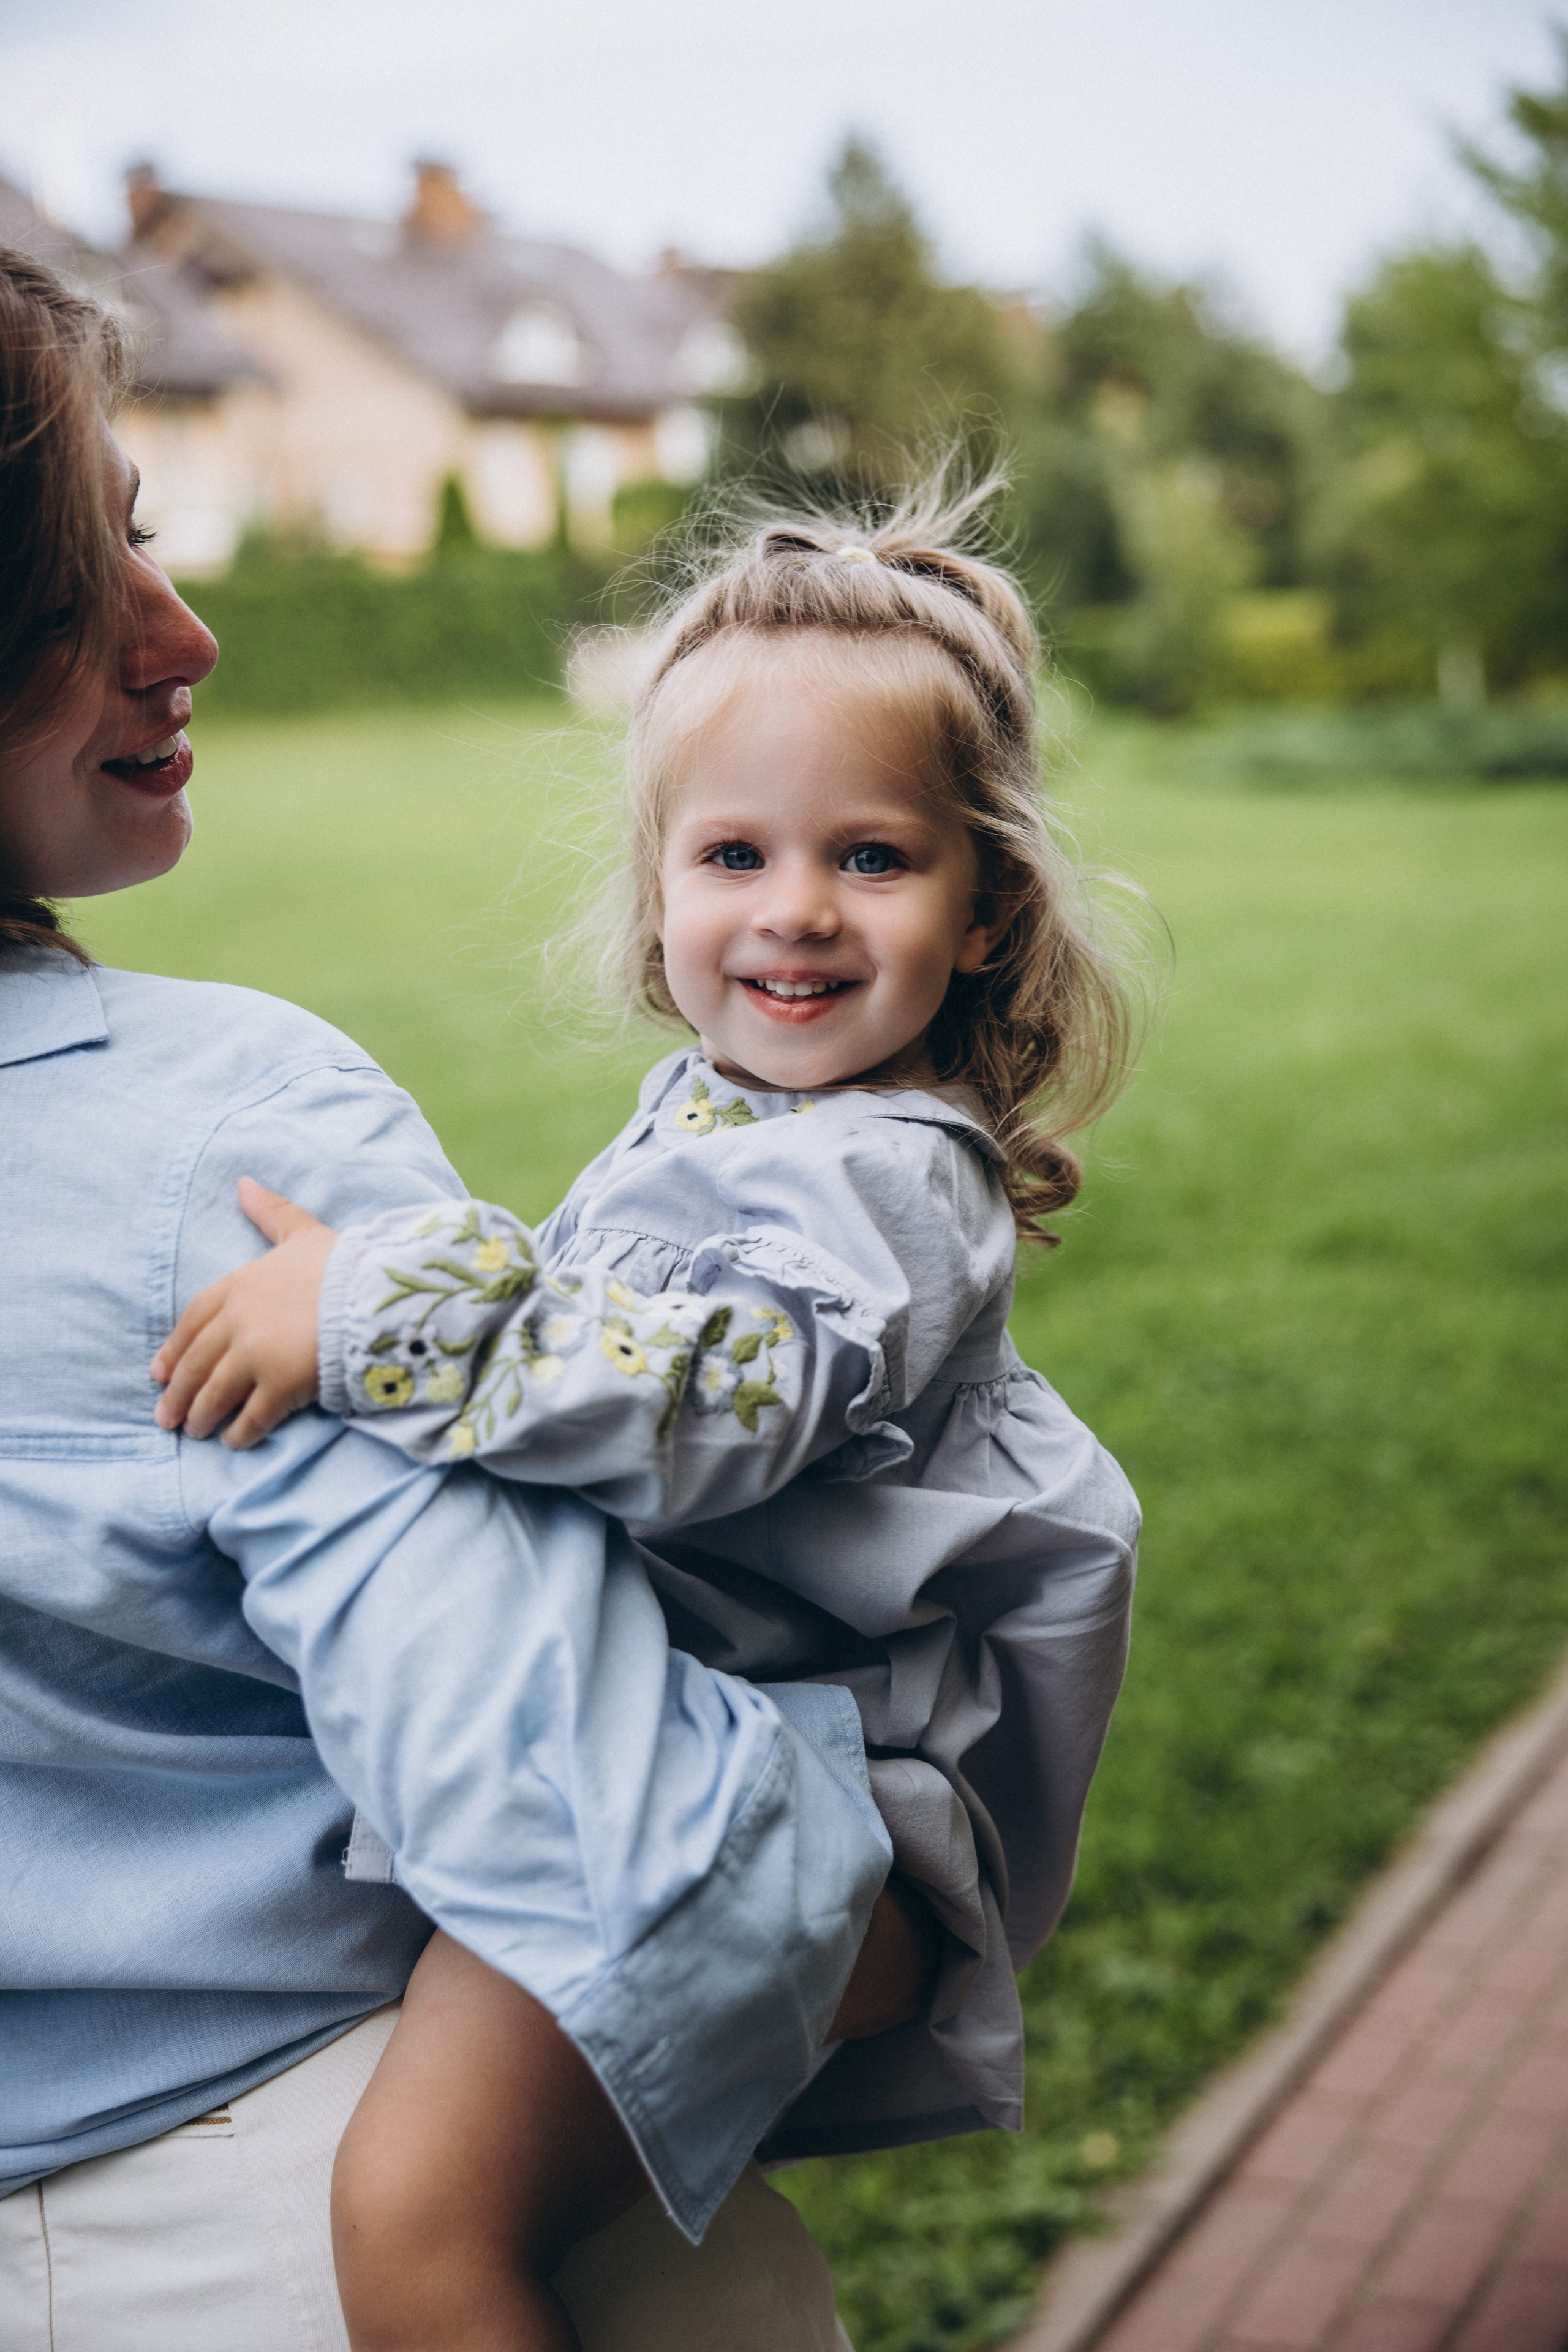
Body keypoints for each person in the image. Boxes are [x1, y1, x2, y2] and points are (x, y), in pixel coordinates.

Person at [0, 245, 941, 2352]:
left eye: (151, 537)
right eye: (82, 577)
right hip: (305, 2206)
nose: (187, 633)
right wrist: (889, 1888)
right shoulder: (228, 1143)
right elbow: (592, 1824)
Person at [156, 495, 1145, 2351]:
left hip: (791, 1799)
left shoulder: (896, 1183)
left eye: (871, 856)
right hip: (701, 1762)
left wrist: (375, 1309)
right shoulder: (727, 1113)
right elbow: (620, 1331)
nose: (792, 909)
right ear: (660, 888)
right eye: (733, 852)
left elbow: (712, 1399)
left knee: (419, 2224)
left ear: (989, 904)